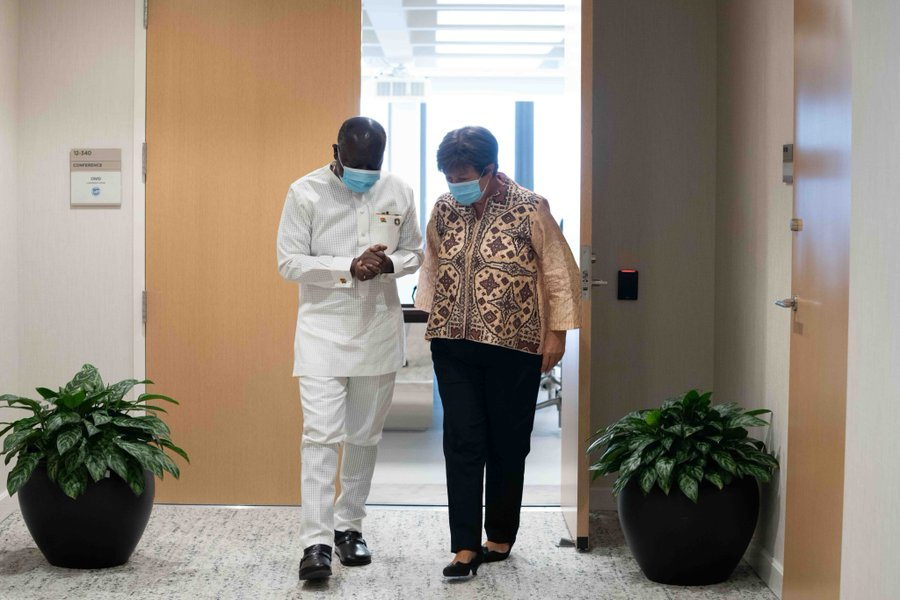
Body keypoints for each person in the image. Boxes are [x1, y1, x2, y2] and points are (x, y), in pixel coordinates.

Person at [415, 126, 581, 578]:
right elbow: (432, 263)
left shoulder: (531, 207)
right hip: (453, 342)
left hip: (516, 344)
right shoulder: (445, 208)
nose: (456, 185)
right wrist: (426, 317)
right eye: (450, 177)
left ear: (490, 171)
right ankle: (464, 546)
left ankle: (500, 535)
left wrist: (558, 334)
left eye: (464, 176)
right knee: (463, 440)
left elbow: (561, 273)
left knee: (508, 443)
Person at [277, 116, 423, 581]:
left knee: (364, 436)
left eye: (373, 164)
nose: (366, 172)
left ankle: (349, 528)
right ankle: (315, 543)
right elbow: (289, 261)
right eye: (357, 163)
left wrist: (388, 265)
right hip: (322, 333)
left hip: (378, 333)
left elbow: (416, 252)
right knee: (319, 437)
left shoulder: (398, 191)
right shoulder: (305, 192)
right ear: (336, 151)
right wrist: (347, 266)